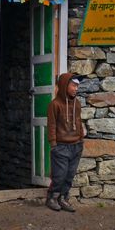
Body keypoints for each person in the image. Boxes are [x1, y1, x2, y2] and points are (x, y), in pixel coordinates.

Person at [46, 72, 85, 212]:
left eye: (77, 86)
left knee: (69, 175)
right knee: (60, 175)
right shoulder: (54, 105)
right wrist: (53, 144)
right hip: (61, 147)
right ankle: (52, 198)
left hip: (76, 145)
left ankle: (63, 198)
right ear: (64, 85)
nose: (76, 88)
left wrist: (81, 140)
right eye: (74, 85)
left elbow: (79, 122)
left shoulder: (77, 103)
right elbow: (51, 126)